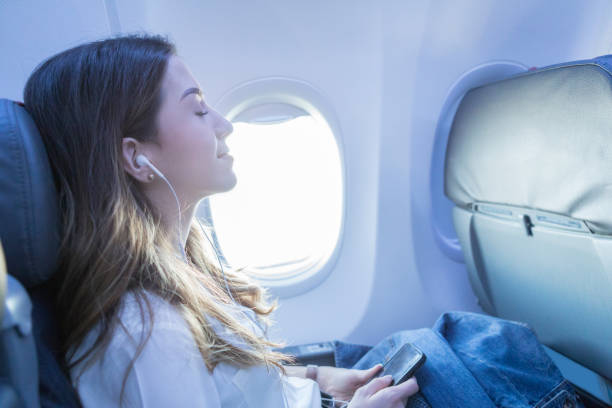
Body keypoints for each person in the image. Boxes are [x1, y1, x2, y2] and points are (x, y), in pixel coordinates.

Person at [23, 34, 580, 408]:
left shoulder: (180, 269)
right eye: (197, 108)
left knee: (476, 343)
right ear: (136, 157)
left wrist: (315, 380)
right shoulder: (142, 336)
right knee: (485, 347)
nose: (224, 125)